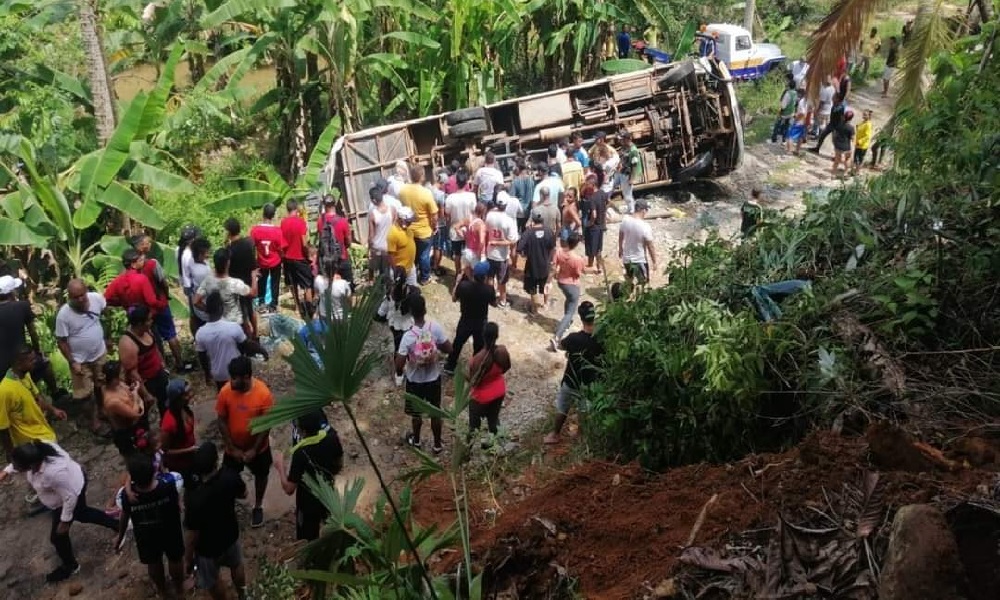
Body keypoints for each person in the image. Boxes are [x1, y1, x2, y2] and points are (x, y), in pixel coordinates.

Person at [1, 441, 117, 582]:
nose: (16, 468)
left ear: (31, 466)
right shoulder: (38, 451)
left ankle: (70, 566)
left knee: (58, 536)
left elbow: (70, 498)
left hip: (72, 492)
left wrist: (65, 521)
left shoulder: (54, 473)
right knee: (83, 514)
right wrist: (6, 472)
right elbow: (18, 462)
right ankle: (118, 525)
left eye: (19, 467)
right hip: (69, 486)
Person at [184, 442, 248, 600]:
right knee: (237, 565)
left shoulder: (194, 498)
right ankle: (242, 594)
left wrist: (188, 559)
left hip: (207, 549)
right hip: (230, 535)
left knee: (212, 581)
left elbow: (192, 535)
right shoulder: (230, 476)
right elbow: (244, 494)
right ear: (216, 462)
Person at [115, 452, 185, 597]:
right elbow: (177, 499)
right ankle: (179, 589)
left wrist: (120, 536)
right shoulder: (168, 486)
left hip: (146, 535)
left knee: (153, 562)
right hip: (170, 530)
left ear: (133, 478)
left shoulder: (128, 497)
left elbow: (124, 516)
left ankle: (162, 590)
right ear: (153, 471)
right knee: (175, 558)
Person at [216, 356, 274, 528]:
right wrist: (231, 447)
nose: (231, 381)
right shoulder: (225, 392)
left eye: (235, 378)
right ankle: (235, 497)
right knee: (227, 477)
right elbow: (221, 420)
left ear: (247, 376)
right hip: (233, 448)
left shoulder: (263, 395)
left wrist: (254, 450)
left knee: (261, 476)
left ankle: (258, 506)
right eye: (231, 377)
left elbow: (266, 425)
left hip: (258, 448)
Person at [273, 410, 344, 541]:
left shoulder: (301, 453)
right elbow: (339, 463)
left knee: (307, 536)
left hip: (307, 501)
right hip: (328, 492)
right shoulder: (332, 436)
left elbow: (289, 489)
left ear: (303, 432)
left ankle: (311, 555)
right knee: (331, 524)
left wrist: (280, 468)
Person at [394, 295, 452, 452]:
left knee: (416, 414)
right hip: (433, 379)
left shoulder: (408, 337)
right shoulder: (435, 328)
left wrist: (400, 372)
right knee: (435, 412)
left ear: (411, 312)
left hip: (414, 381)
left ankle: (417, 440)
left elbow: (399, 364)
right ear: (425, 309)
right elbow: (449, 349)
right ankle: (437, 445)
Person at [544, 302, 603, 444]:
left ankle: (555, 434)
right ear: (594, 316)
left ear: (581, 318)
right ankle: (581, 436)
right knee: (584, 410)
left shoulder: (573, 338)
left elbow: (561, 345)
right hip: (590, 383)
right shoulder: (601, 338)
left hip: (571, 379)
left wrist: (570, 352)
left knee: (562, 408)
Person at [55, 279, 107, 435]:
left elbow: (105, 313)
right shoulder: (64, 315)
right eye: (75, 297)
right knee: (85, 394)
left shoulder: (96, 299)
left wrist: (108, 337)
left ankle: (103, 411)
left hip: (99, 353)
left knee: (101, 384)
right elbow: (62, 342)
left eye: (82, 295)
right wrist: (72, 362)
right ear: (69, 296)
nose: (80, 299)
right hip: (80, 361)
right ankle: (94, 422)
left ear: (86, 291)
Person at [0, 345, 65, 457]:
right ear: (19, 364)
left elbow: (38, 397)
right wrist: (12, 454)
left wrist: (54, 410)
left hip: (43, 432)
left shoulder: (25, 376)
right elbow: (2, 427)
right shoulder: (5, 390)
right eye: (31, 360)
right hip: (30, 444)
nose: (35, 362)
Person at [444, 261, 496, 375]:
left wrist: (457, 282)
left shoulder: (464, 286)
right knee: (478, 347)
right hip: (480, 322)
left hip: (465, 320)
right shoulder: (489, 290)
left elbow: (453, 298)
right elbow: (494, 304)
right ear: (485, 276)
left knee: (458, 343)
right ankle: (475, 369)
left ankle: (450, 366)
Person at [119, 305, 169, 416]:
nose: (151, 321)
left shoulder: (147, 331)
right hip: (145, 382)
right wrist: (145, 393)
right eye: (149, 320)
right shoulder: (128, 344)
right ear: (140, 324)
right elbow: (132, 373)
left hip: (158, 373)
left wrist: (163, 365)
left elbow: (155, 349)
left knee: (165, 402)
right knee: (143, 410)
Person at [467, 322, 510, 441]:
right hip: (499, 391)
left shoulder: (476, 360)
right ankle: (494, 446)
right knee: (493, 420)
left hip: (481, 397)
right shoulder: (502, 351)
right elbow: (506, 368)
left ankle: (466, 452)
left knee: (474, 426)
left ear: (483, 336)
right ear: (497, 336)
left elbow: (474, 382)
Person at [197, 291, 248, 390]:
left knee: (224, 396)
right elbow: (244, 346)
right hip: (237, 372)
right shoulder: (233, 327)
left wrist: (207, 374)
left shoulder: (200, 333)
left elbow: (202, 358)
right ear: (221, 308)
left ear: (207, 310)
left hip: (218, 374)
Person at [194, 248, 257, 328]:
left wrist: (209, 310)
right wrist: (254, 277)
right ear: (228, 263)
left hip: (216, 322)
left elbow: (196, 302)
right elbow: (254, 294)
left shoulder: (208, 281)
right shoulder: (234, 283)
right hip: (234, 323)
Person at [102, 360, 150, 457]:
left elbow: (128, 392)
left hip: (139, 423)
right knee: (136, 456)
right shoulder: (112, 400)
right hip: (128, 431)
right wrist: (136, 393)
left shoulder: (119, 383)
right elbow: (135, 413)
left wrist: (132, 389)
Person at [399, 164, 437, 285]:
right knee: (424, 255)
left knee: (412, 254)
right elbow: (434, 214)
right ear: (421, 176)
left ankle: (411, 276)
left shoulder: (403, 191)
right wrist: (434, 226)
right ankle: (425, 278)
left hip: (409, 230)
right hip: (424, 231)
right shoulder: (426, 193)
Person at [105, 249, 168, 320]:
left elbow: (107, 298)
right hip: (146, 315)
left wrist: (123, 304)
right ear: (133, 265)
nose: (143, 261)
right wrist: (163, 304)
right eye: (140, 260)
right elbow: (152, 301)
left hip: (132, 316)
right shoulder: (141, 278)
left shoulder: (118, 281)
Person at [222, 220, 258, 338]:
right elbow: (254, 264)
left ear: (228, 232)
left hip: (237, 285)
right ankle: (256, 333)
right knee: (251, 309)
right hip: (248, 280)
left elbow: (226, 269)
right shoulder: (248, 243)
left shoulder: (229, 250)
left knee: (243, 314)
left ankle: (248, 338)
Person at [551, 232, 587, 350]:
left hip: (561, 282)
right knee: (570, 312)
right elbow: (579, 273)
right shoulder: (577, 259)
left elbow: (553, 265)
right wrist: (595, 270)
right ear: (576, 244)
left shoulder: (559, 251)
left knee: (568, 300)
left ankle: (566, 324)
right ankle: (557, 337)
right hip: (572, 285)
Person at [517, 211, 556, 315]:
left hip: (532, 266)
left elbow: (519, 247)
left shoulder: (528, 233)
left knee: (532, 288)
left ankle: (534, 310)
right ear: (542, 220)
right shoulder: (549, 231)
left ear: (533, 220)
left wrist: (524, 254)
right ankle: (545, 304)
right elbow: (553, 247)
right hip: (545, 265)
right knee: (545, 285)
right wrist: (552, 260)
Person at [280, 199, 313, 319]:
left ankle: (298, 309)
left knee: (293, 284)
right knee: (307, 285)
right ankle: (310, 310)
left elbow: (282, 242)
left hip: (288, 258)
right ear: (296, 209)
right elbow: (304, 243)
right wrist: (308, 255)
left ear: (288, 209)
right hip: (299, 258)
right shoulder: (300, 222)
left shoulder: (283, 223)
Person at [485, 196, 519, 308]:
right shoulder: (509, 220)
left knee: (490, 277)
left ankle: (490, 298)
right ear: (506, 205)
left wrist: (492, 243)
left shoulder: (489, 215)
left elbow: (486, 232)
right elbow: (512, 240)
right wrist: (498, 242)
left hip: (490, 252)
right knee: (502, 280)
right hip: (501, 255)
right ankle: (502, 301)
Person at [377, 267, 420, 355]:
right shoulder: (413, 292)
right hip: (409, 326)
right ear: (406, 278)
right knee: (408, 347)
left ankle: (397, 361)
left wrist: (378, 315)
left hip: (395, 326)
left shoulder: (389, 293)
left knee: (396, 348)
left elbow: (382, 310)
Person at [249, 203, 283, 313]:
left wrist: (254, 262)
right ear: (273, 216)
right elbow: (281, 248)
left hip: (261, 261)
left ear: (263, 214)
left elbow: (251, 247)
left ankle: (262, 302)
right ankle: (273, 304)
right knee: (275, 282)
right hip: (275, 261)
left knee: (262, 282)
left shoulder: (255, 230)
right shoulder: (277, 231)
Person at [160, 379, 197, 480]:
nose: (190, 395)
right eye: (186, 394)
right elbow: (165, 451)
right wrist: (189, 450)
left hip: (190, 458)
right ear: (177, 399)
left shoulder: (184, 409)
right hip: (179, 465)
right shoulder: (169, 423)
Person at [618, 199, 657, 293]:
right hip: (639, 260)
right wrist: (654, 261)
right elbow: (650, 245)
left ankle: (627, 299)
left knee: (629, 280)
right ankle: (640, 301)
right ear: (643, 210)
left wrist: (620, 248)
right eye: (646, 210)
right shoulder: (645, 226)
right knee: (643, 282)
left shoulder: (625, 220)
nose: (646, 212)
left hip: (627, 258)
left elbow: (621, 234)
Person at [315, 196, 353, 285]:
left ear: (324, 205)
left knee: (330, 287)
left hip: (328, 261)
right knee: (348, 288)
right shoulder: (343, 221)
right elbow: (348, 242)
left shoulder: (320, 222)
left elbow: (322, 239)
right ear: (335, 204)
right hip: (342, 258)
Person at [445, 170, 478, 272]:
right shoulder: (471, 196)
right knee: (470, 252)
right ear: (466, 182)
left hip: (455, 230)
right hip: (468, 230)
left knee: (457, 254)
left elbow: (447, 214)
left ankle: (458, 272)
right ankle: (469, 272)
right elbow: (474, 212)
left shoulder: (450, 198)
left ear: (456, 182)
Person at [368, 179, 395, 282]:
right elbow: (394, 225)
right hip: (389, 246)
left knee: (378, 272)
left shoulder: (373, 214)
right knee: (387, 271)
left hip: (377, 247)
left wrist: (369, 248)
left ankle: (379, 289)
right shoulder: (392, 210)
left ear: (374, 200)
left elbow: (371, 235)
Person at [581, 178, 608, 274]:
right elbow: (606, 204)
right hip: (601, 225)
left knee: (591, 247)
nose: (586, 186)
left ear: (593, 185)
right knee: (599, 248)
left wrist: (589, 223)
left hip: (594, 227)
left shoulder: (592, 198)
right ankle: (599, 266)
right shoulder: (602, 193)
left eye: (587, 184)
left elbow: (594, 214)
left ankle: (590, 265)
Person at [187, 237, 213, 337]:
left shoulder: (193, 261)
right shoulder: (201, 273)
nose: (208, 254)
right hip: (205, 307)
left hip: (199, 306)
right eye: (206, 252)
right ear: (200, 254)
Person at [387, 206, 418, 286]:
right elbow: (391, 255)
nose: (410, 223)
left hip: (410, 267)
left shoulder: (408, 229)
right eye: (408, 221)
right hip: (399, 271)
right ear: (401, 220)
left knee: (412, 292)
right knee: (397, 294)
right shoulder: (393, 233)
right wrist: (396, 271)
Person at [431, 169, 450, 276]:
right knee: (439, 246)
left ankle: (434, 264)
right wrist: (446, 222)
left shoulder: (429, 190)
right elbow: (442, 212)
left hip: (430, 222)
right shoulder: (440, 194)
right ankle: (435, 267)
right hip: (439, 223)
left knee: (433, 246)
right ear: (442, 182)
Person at [618, 131, 643, 214]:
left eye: (623, 139)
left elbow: (634, 165)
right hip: (623, 172)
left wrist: (632, 179)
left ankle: (631, 210)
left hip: (628, 174)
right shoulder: (625, 148)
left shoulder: (633, 151)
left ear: (628, 139)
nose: (621, 141)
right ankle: (630, 208)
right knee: (625, 192)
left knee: (627, 193)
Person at [510, 161, 537, 234]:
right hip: (529, 210)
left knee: (518, 233)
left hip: (519, 212)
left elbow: (512, 197)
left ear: (518, 169)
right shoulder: (531, 181)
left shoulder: (515, 182)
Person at [771, 79, 798, 144]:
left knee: (777, 125)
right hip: (791, 113)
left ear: (789, 85)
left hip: (785, 113)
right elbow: (795, 103)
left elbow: (783, 106)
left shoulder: (787, 94)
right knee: (787, 126)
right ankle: (784, 139)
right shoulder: (795, 93)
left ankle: (774, 138)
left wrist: (780, 112)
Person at [832, 110, 856, 176]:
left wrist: (834, 142)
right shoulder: (851, 128)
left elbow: (834, 133)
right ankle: (845, 173)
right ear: (851, 118)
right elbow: (853, 138)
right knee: (847, 159)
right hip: (846, 146)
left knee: (836, 160)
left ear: (844, 116)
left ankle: (833, 173)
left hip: (838, 145)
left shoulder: (839, 124)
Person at [852, 109, 874, 175]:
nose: (863, 116)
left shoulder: (868, 124)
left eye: (865, 115)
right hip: (858, 143)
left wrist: (860, 141)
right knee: (856, 157)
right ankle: (856, 170)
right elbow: (859, 126)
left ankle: (857, 171)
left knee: (859, 158)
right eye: (863, 114)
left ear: (869, 116)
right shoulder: (863, 122)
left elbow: (867, 136)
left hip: (863, 145)